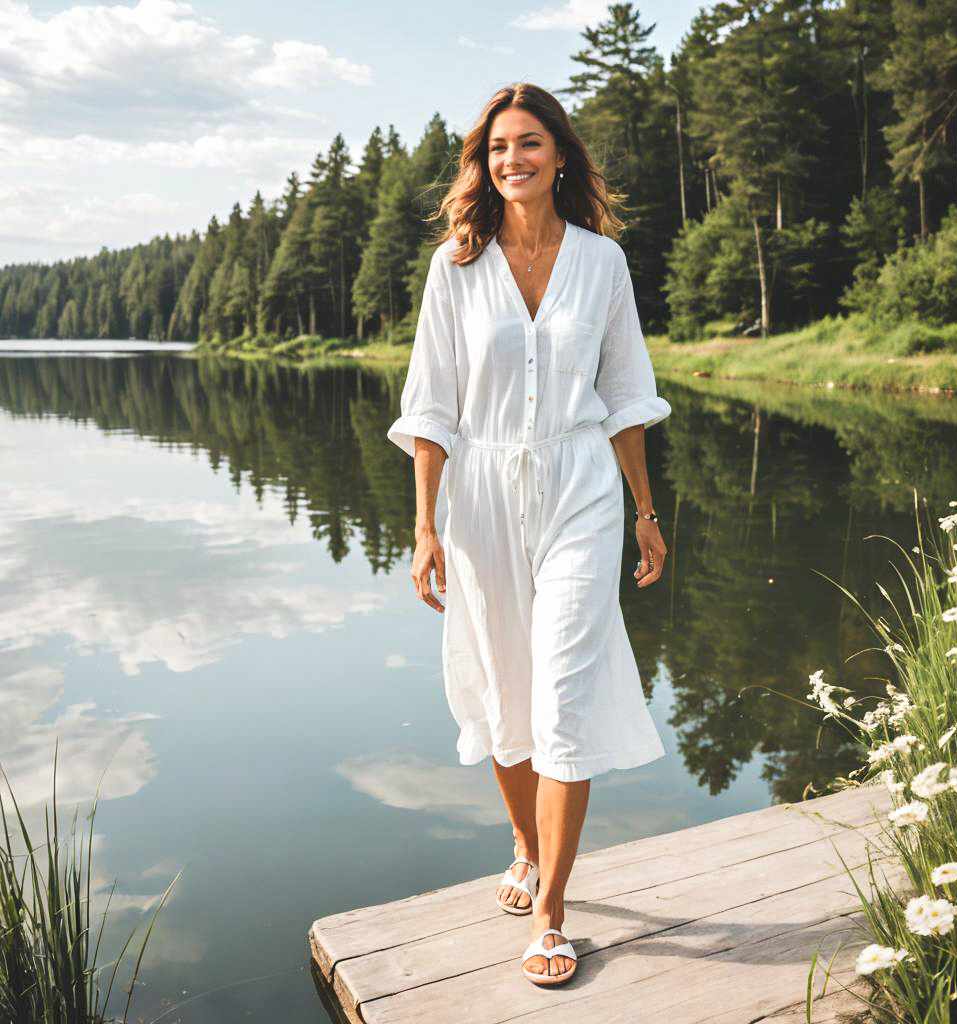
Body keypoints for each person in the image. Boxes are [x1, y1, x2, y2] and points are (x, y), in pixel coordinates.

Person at [386, 82, 670, 986]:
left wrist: (646, 512)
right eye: (499, 147)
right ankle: (522, 838)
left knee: (563, 698)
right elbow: (431, 408)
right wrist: (425, 526)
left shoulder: (602, 262)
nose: (514, 159)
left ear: (560, 155)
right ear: (484, 163)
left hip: (580, 486)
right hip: (480, 498)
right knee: (506, 693)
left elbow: (626, 396)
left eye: (531, 143)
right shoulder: (454, 268)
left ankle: (552, 912)